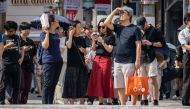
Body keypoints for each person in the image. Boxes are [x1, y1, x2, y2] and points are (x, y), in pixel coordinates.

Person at [104, 6, 142, 105]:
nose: (120, 15)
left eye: (122, 13)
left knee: (131, 84)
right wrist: (115, 11)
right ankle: (123, 105)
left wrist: (137, 60)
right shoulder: (118, 27)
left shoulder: (135, 29)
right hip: (117, 60)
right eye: (120, 13)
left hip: (130, 61)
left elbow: (138, 45)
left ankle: (133, 105)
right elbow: (106, 23)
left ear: (129, 15)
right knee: (119, 85)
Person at [136, 16, 166, 105]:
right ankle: (144, 99)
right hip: (141, 58)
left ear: (146, 22)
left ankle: (155, 99)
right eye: (139, 26)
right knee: (142, 80)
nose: (141, 28)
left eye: (142, 26)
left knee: (153, 78)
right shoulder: (138, 31)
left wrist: (151, 43)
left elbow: (162, 44)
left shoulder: (155, 31)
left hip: (152, 58)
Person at [87, 18, 115, 105]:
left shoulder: (111, 36)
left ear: (107, 27)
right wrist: (93, 40)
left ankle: (110, 100)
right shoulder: (99, 36)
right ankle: (100, 101)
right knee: (98, 79)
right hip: (97, 59)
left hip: (105, 59)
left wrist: (102, 42)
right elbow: (94, 49)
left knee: (106, 78)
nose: (101, 29)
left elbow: (110, 50)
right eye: (100, 27)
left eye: (103, 27)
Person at [63, 20, 88, 104]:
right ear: (73, 28)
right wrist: (70, 34)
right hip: (71, 66)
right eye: (78, 27)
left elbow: (85, 53)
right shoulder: (68, 38)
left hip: (81, 65)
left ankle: (82, 104)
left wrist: (84, 51)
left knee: (81, 87)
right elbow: (69, 46)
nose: (80, 29)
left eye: (81, 27)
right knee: (71, 87)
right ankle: (72, 105)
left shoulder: (82, 39)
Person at [40, 14, 63, 104]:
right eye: (56, 20)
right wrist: (46, 33)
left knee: (53, 85)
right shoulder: (44, 33)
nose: (58, 22)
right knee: (47, 84)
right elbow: (45, 46)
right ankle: (45, 105)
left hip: (58, 61)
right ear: (52, 22)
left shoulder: (56, 34)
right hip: (49, 61)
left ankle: (50, 104)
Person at [0, 21, 24, 104]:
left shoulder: (17, 37)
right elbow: (0, 51)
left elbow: (21, 49)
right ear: (5, 29)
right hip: (6, 65)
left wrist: (21, 58)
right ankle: (1, 101)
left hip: (16, 65)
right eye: (10, 31)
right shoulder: (2, 37)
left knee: (17, 85)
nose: (12, 32)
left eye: (14, 31)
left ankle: (15, 102)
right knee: (3, 85)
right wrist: (6, 46)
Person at [19, 22, 37, 104]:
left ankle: (24, 103)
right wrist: (22, 50)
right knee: (21, 86)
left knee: (27, 87)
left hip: (29, 66)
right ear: (21, 30)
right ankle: (16, 103)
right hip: (20, 66)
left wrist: (38, 64)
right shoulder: (17, 40)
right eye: (26, 29)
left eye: (29, 29)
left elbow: (33, 55)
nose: (28, 31)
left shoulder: (31, 41)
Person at [178, 13, 190, 106]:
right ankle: (185, 100)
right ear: (187, 22)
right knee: (187, 79)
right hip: (188, 57)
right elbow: (185, 46)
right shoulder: (182, 33)